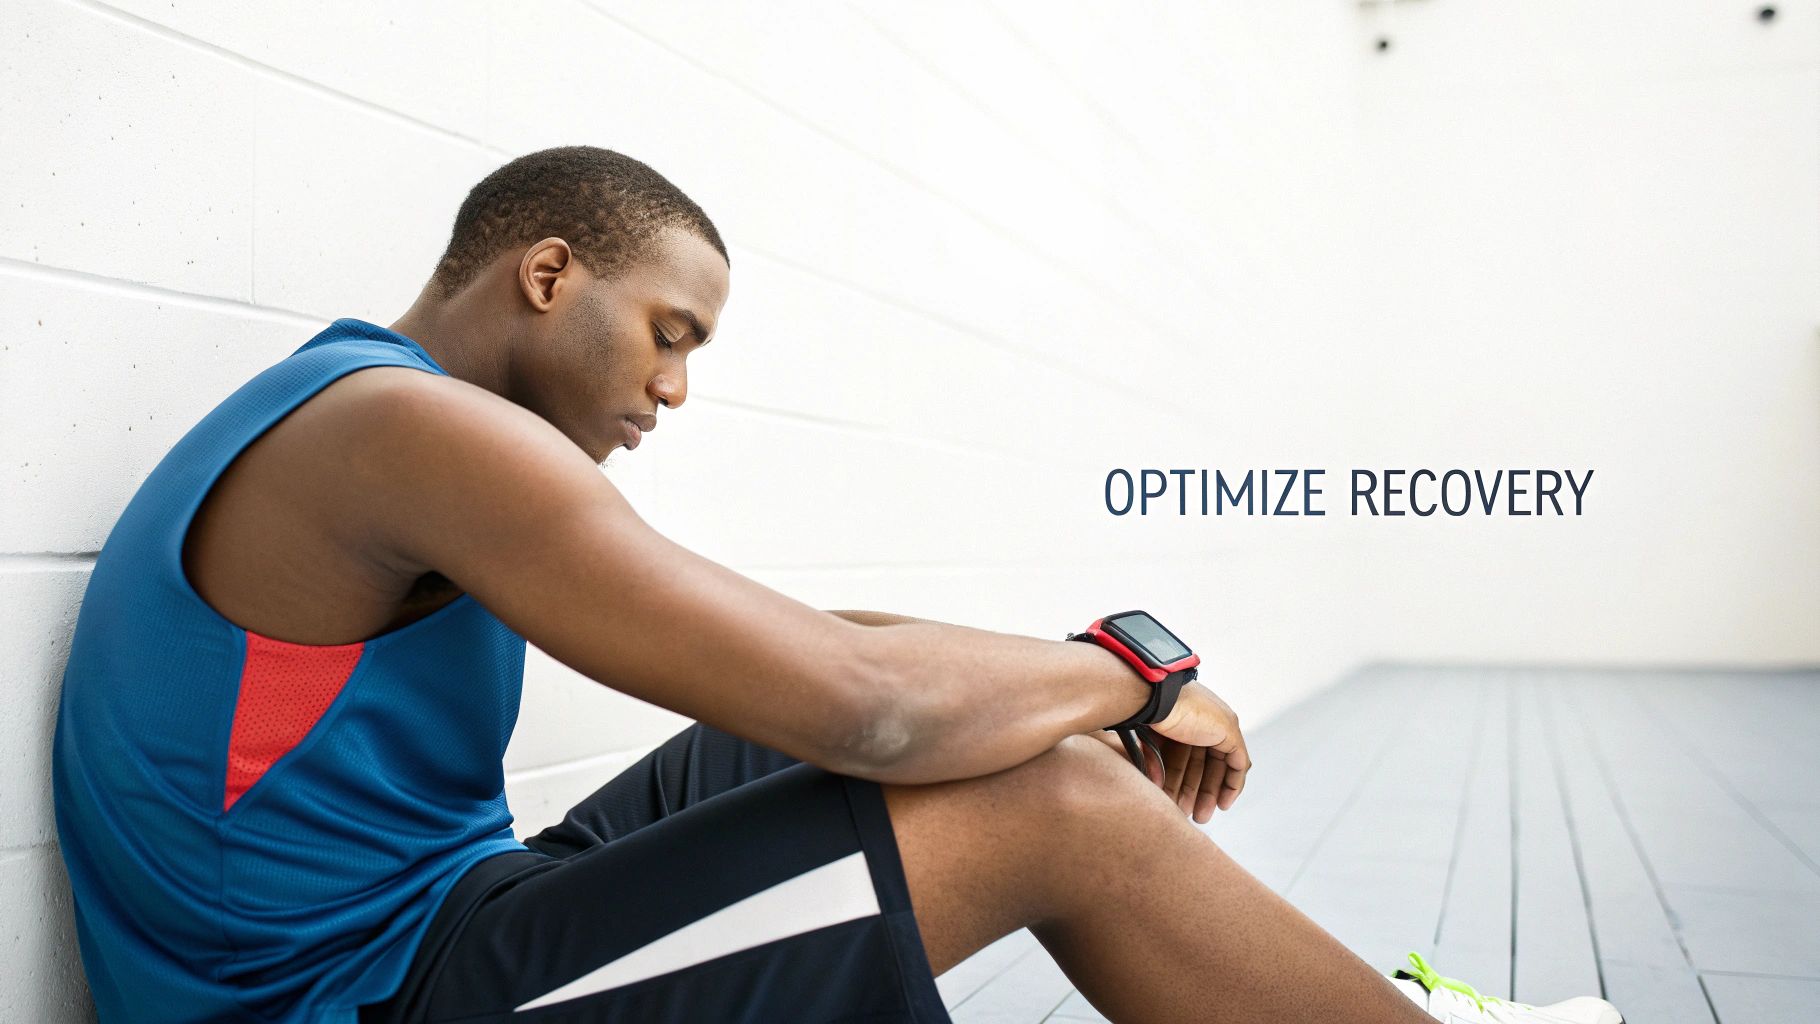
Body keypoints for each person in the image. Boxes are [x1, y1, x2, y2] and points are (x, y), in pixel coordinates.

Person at [51, 146, 1622, 1024]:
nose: (674, 389)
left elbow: (827, 654)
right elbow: (870, 712)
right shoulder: (412, 431)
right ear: (547, 274)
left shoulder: (363, 406)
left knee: (934, 713)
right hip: (372, 1004)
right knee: (1055, 802)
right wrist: (1133, 672)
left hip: (452, 918)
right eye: (669, 333)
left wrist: (1072, 680)